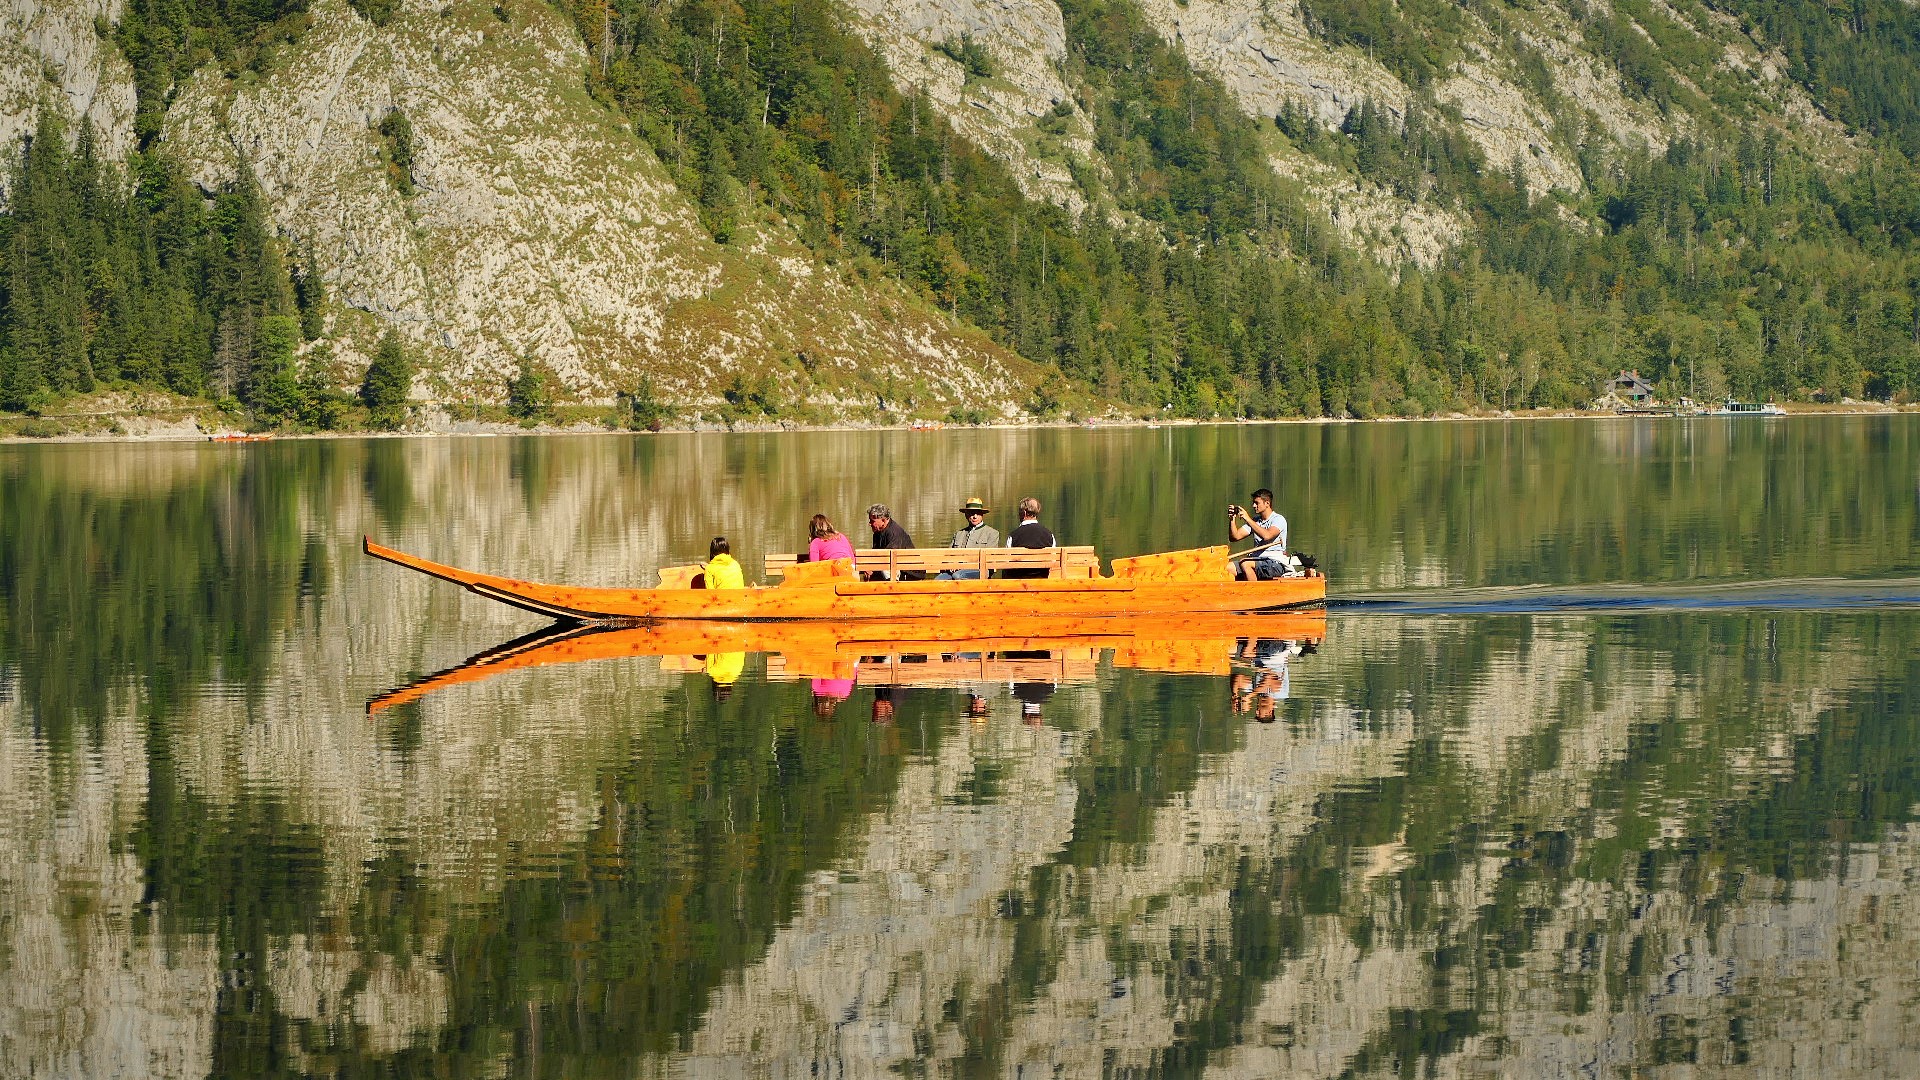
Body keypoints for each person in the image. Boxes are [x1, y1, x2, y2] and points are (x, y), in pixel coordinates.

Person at [1227, 488, 1288, 580]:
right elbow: (1235, 537)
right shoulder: (1255, 521)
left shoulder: (1278, 519)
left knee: (1245, 563)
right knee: (1227, 567)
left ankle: (1254, 591)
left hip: (1275, 563)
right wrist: (1232, 520)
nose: (1253, 506)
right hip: (1256, 560)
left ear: (1267, 503)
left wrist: (1247, 518)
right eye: (1253, 503)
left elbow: (1267, 536)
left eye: (1256, 503)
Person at [939, 498, 999, 580]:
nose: (975, 516)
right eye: (971, 513)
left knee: (958, 576)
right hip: (955, 569)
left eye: (978, 513)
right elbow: (949, 556)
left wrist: (963, 565)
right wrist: (952, 564)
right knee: (938, 581)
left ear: (982, 515)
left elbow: (990, 559)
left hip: (980, 570)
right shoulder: (959, 534)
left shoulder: (992, 533)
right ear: (966, 515)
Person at [865, 503, 926, 581]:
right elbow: (875, 554)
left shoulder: (894, 532)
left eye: (872, 521)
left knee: (886, 567)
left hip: (910, 571)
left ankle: (891, 590)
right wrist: (868, 566)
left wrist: (871, 567)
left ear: (883, 520)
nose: (870, 524)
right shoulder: (877, 532)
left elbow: (888, 557)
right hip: (895, 566)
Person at [1001, 496, 1055, 580]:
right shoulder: (1049, 535)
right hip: (1042, 580)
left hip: (1018, 582)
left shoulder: (1013, 535)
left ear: (1024, 513)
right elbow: (1053, 561)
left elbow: (1007, 562)